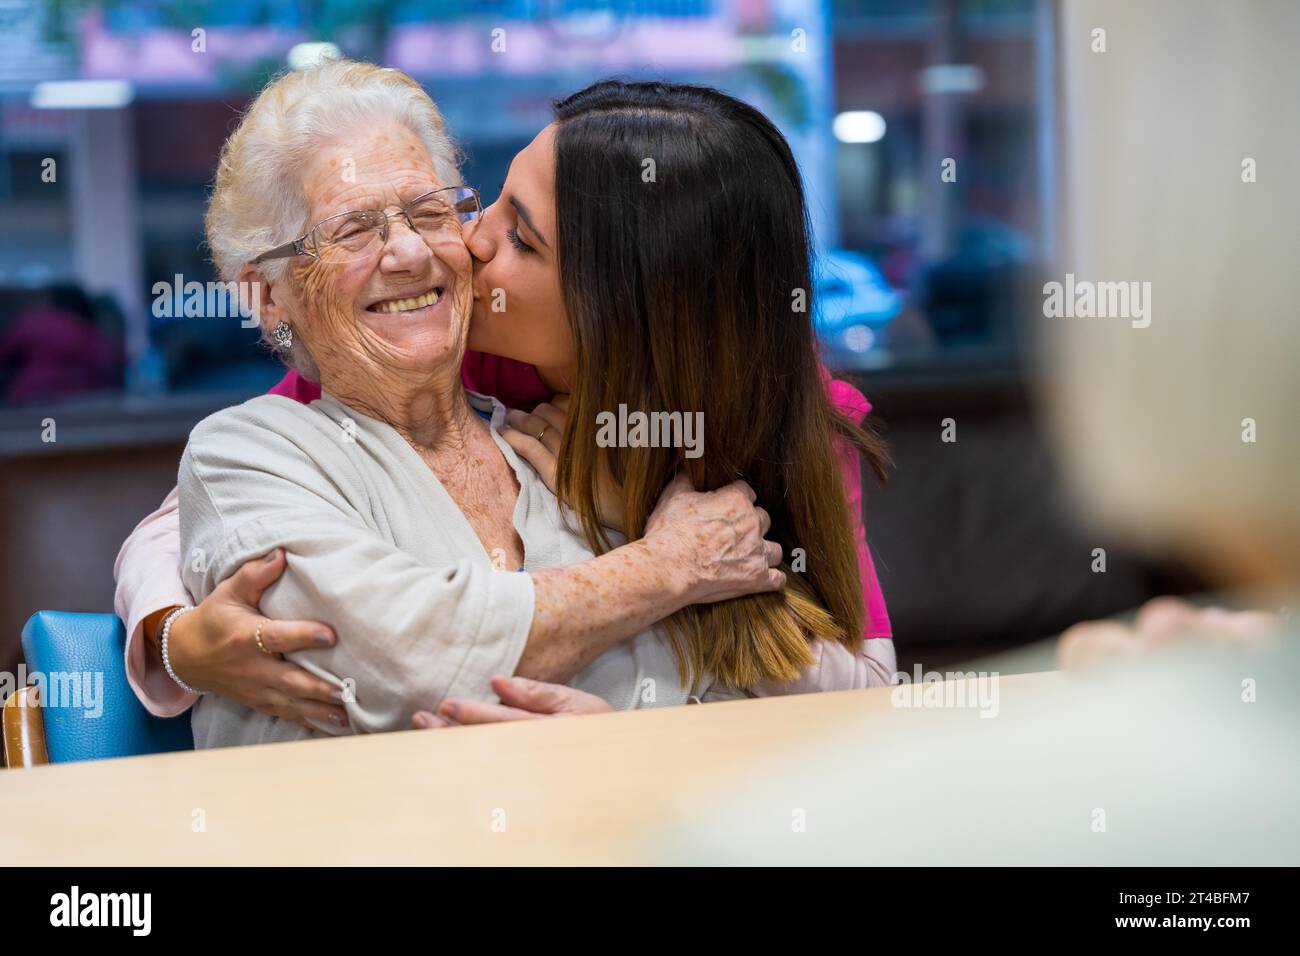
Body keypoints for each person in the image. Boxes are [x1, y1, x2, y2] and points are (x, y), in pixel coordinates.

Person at [115, 67, 896, 730]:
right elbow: (207, 502)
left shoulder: (785, 420)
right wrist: (172, 637)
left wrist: (635, 723)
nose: (464, 242)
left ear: (622, 308)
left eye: (521, 238)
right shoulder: (468, 371)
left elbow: (864, 715)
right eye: (487, 204)